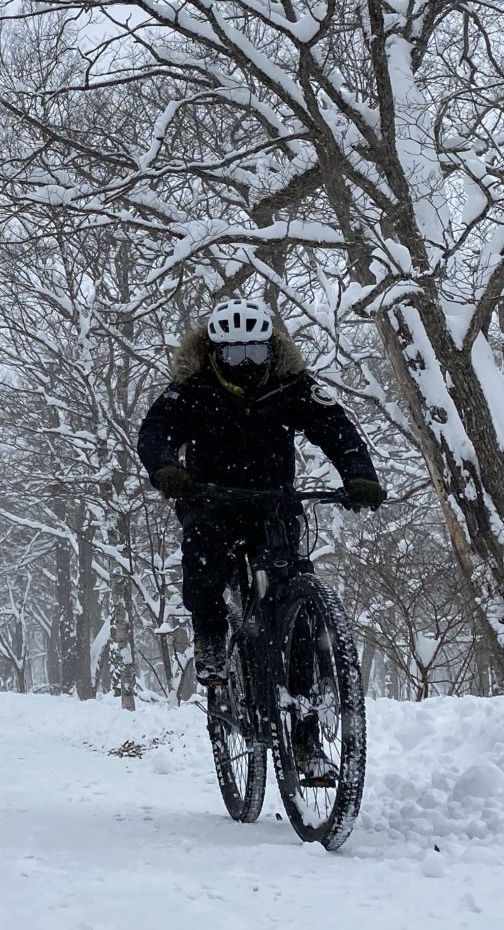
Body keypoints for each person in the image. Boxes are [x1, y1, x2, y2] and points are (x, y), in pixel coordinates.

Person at [139, 298, 384, 708]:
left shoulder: (292, 384)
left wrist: (359, 475)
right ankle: (212, 633)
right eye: (233, 352)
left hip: (273, 503)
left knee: (292, 589)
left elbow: (336, 428)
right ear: (215, 352)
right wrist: (166, 468)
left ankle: (305, 720)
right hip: (211, 500)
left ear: (270, 348)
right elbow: (155, 431)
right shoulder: (192, 386)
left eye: (253, 351)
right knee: (203, 557)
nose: (244, 362)